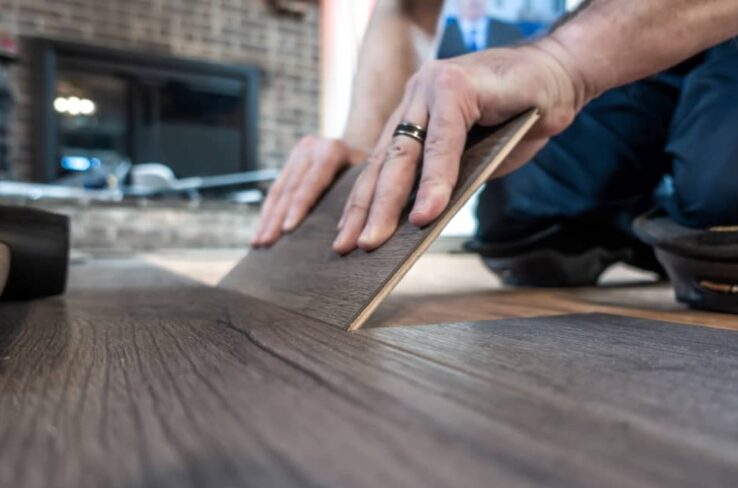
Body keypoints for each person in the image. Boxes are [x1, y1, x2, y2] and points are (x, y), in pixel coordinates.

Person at [252, 0, 738, 313]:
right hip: (636, 25)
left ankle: (682, 193)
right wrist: (366, 151)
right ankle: (650, 216)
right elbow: (409, 8)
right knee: (520, 219)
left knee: (719, 203)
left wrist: (564, 63)